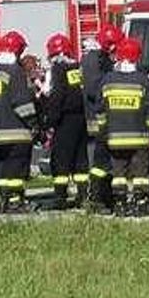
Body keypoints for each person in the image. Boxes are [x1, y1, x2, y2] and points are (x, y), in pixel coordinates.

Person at [94, 36, 149, 216]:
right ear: (137, 58)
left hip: (115, 140)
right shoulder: (144, 81)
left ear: (118, 56)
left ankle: (120, 205)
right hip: (139, 140)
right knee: (140, 174)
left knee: (118, 173)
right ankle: (140, 205)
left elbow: (99, 111)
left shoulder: (108, 81)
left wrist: (103, 132)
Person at [0, 31, 40, 213]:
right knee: (17, 168)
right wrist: (34, 122)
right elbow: (21, 102)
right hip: (17, 130)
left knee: (3, 169)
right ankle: (16, 201)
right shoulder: (15, 72)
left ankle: (4, 200)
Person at [45, 33, 89, 208]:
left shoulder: (58, 69)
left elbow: (57, 96)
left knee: (60, 159)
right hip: (81, 119)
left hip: (65, 120)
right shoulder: (77, 67)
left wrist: (51, 121)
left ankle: (60, 197)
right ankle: (83, 194)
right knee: (80, 158)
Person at [83, 24, 121, 209]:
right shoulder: (93, 60)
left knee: (104, 161)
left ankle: (102, 196)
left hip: (103, 119)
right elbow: (93, 89)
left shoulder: (101, 58)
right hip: (96, 121)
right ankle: (97, 197)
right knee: (99, 161)